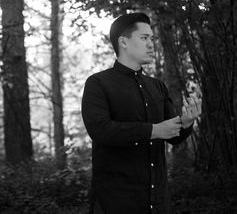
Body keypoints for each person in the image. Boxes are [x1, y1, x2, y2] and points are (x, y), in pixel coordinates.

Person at [81, 13, 202, 214]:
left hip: (158, 202)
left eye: (152, 39)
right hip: (116, 202)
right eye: (144, 38)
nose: (151, 44)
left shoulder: (158, 87)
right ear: (124, 42)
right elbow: (100, 130)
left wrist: (187, 122)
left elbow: (172, 136)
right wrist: (153, 130)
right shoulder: (98, 83)